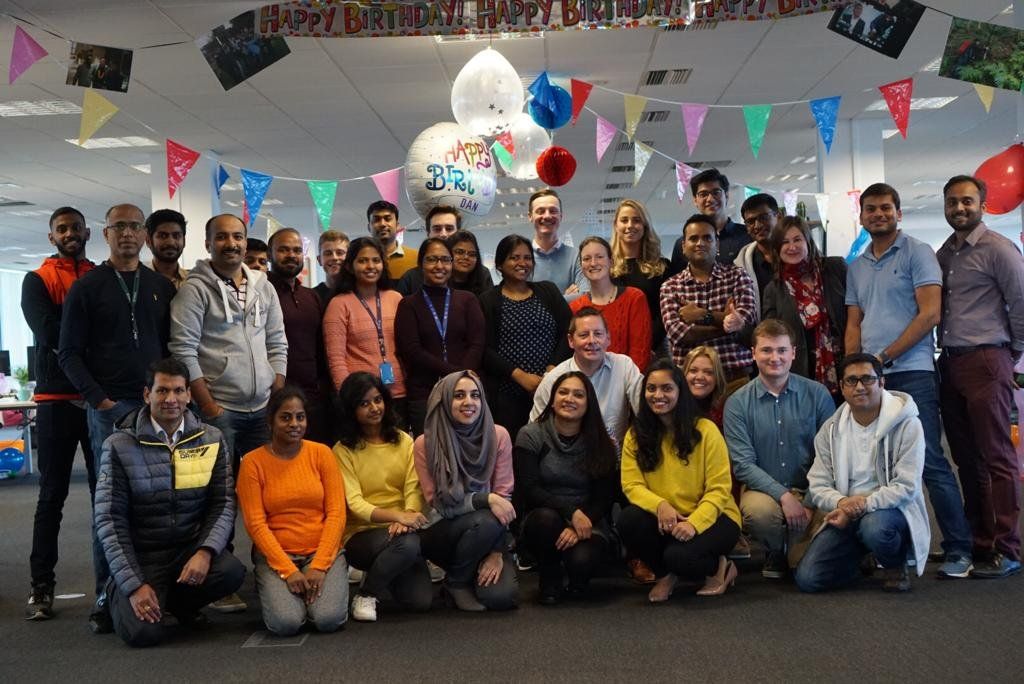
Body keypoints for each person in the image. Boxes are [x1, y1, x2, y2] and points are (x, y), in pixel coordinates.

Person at [846, 182, 974, 578]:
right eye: (871, 209)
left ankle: (959, 548)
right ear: (862, 216)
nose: (878, 214)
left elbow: (930, 314)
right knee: (874, 463)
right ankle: (893, 547)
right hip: (871, 380)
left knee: (929, 460)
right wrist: (853, 367)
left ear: (898, 213)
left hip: (912, 372)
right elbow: (854, 322)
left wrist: (882, 357)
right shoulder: (857, 265)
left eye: (886, 207)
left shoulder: (918, 252)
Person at [58, 203, 175, 633]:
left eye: (134, 226)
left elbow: (171, 349)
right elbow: (68, 353)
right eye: (118, 226)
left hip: (157, 409)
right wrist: (99, 401)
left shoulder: (160, 286)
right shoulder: (87, 287)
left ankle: (161, 592)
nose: (127, 233)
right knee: (109, 506)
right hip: (111, 411)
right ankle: (106, 597)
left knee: (160, 501)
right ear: (105, 234)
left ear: (144, 235)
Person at [170, 214, 288, 612]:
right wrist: (207, 404)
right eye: (222, 237)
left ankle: (272, 564)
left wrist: (276, 388)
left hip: (262, 408)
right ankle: (220, 579)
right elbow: (183, 350)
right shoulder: (194, 290)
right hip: (219, 409)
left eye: (237, 236)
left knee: (269, 492)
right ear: (208, 243)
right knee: (216, 495)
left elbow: (277, 340)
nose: (231, 244)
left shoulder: (263, 285)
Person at [94, 358, 245, 648]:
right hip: (142, 557)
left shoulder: (211, 439)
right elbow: (109, 520)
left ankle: (174, 605)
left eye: (178, 391)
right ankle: (115, 593)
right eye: (162, 391)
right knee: (144, 635)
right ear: (146, 394)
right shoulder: (118, 445)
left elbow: (223, 503)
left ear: (189, 395)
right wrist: (134, 585)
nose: (171, 399)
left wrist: (205, 551)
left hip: (186, 551)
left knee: (230, 572)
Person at [937, 175, 1024, 579]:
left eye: (967, 201)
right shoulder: (945, 253)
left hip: (987, 358)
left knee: (997, 456)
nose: (960, 208)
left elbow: (1021, 304)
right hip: (951, 362)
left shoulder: (999, 249)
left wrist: (1008, 354)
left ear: (982, 205)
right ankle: (981, 540)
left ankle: (1008, 547)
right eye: (953, 201)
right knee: (966, 458)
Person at [796, 354, 929, 593]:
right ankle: (860, 557)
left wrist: (862, 505)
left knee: (874, 528)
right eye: (851, 380)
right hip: (845, 510)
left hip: (889, 511)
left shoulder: (908, 424)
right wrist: (842, 503)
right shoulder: (830, 429)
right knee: (809, 579)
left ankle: (894, 565)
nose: (859, 387)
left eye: (867, 379)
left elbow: (907, 486)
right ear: (842, 387)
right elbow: (817, 483)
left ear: (882, 382)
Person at [22, 206, 96, 621]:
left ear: (87, 233)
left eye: (75, 227)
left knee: (107, 497)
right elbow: (48, 332)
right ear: (52, 236)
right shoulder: (38, 279)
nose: (70, 233)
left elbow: (108, 329)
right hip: (55, 401)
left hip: (98, 401)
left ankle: (112, 585)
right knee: (51, 496)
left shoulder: (98, 275)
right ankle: (41, 586)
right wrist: (87, 332)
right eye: (62, 229)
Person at [618, 359, 742, 602]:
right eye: (651, 388)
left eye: (667, 388)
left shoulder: (706, 430)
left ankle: (719, 568)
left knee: (679, 557)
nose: (658, 395)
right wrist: (660, 505)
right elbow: (631, 485)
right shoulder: (635, 434)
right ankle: (665, 575)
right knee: (628, 520)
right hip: (666, 517)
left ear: (680, 392)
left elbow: (719, 489)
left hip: (714, 515)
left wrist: (694, 523)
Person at [724, 319, 835, 579]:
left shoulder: (818, 394)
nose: (775, 358)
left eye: (782, 350)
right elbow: (743, 465)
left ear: (793, 353)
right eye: (766, 350)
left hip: (814, 486)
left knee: (832, 512)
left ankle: (797, 550)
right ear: (753, 353)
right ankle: (777, 549)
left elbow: (830, 456)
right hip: (763, 490)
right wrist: (784, 496)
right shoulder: (737, 403)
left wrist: (809, 501)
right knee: (758, 514)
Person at [236, 386, 347, 636]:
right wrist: (288, 571)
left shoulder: (322, 453)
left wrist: (319, 566)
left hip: (320, 551)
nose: (294, 424)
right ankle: (279, 590)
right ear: (270, 421)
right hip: (277, 555)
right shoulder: (252, 463)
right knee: (285, 624)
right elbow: (255, 524)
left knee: (328, 620)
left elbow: (337, 514)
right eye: (285, 417)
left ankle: (310, 596)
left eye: (300, 417)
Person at [413, 371, 518, 611]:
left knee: (500, 598)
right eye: (458, 395)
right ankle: (457, 582)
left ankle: (468, 572)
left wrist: (496, 551)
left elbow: (504, 500)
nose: (469, 402)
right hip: (444, 531)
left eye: (475, 395)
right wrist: (485, 499)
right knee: (486, 518)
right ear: (444, 400)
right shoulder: (425, 443)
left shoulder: (498, 435)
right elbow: (440, 504)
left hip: (490, 532)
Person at [334, 373, 432, 622]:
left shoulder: (404, 440)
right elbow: (354, 503)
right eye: (364, 403)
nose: (374, 408)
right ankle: (366, 594)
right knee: (408, 545)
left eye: (378, 400)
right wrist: (397, 517)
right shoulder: (342, 450)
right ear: (351, 409)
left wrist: (407, 516)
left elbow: (413, 487)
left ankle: (383, 571)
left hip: (403, 528)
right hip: (362, 533)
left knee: (420, 601)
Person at [515, 372, 618, 604]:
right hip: (544, 517)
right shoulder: (531, 434)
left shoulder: (603, 441)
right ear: (552, 400)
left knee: (581, 561)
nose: (569, 398)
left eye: (578, 395)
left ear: (589, 404)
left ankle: (577, 579)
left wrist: (579, 522)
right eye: (563, 392)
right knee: (545, 520)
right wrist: (571, 513)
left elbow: (603, 498)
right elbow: (530, 489)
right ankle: (549, 575)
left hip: (589, 520)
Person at [479, 234, 572, 440]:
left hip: (551, 389)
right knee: (514, 448)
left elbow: (568, 330)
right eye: (514, 257)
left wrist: (551, 370)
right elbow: (485, 349)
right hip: (507, 394)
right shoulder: (488, 300)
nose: (522, 263)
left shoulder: (548, 291)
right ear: (500, 264)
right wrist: (521, 377)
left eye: (527, 257)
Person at [395, 237, 486, 435]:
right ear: (420, 264)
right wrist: (456, 374)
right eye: (432, 259)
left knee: (467, 446)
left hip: (466, 391)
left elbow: (477, 343)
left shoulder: (467, 300)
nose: (439, 266)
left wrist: (461, 377)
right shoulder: (408, 304)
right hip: (425, 392)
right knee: (429, 449)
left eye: (445, 260)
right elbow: (412, 351)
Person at [661, 214, 758, 382]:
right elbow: (679, 334)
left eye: (707, 238)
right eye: (693, 238)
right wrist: (726, 322)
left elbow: (746, 321)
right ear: (683, 246)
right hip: (690, 382)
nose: (700, 243)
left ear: (717, 244)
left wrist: (702, 315)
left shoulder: (738, 276)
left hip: (736, 378)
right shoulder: (670, 287)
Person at [530, 307, 642, 450]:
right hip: (567, 455)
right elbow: (534, 432)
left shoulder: (624, 366)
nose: (592, 340)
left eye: (598, 334)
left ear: (608, 338)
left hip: (614, 455)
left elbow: (645, 409)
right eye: (584, 335)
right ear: (571, 340)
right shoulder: (554, 379)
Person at [323, 236, 408, 423]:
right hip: (361, 399)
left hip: (399, 393)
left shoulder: (396, 298)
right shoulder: (339, 304)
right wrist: (349, 397)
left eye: (376, 260)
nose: (370, 266)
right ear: (349, 266)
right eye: (362, 261)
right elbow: (336, 360)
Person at [763, 216, 847, 400]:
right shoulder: (774, 289)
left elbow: (854, 311)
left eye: (797, 239)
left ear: (808, 241)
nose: (792, 247)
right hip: (801, 372)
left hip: (844, 367)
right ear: (777, 249)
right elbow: (770, 334)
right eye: (785, 242)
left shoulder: (835, 269)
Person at [267, 227, 330, 443]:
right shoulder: (261, 293)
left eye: (297, 250)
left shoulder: (311, 296)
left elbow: (320, 346)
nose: (291, 255)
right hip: (275, 396)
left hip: (312, 397)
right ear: (270, 255)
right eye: (283, 250)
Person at [571, 236, 652, 370]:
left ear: (611, 261)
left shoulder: (634, 298)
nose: (593, 263)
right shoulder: (575, 307)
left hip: (630, 379)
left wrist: (625, 381)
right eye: (586, 259)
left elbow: (640, 353)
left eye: (599, 257)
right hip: (589, 380)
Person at [609, 199, 670, 352]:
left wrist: (645, 344)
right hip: (614, 348)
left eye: (636, 220)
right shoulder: (606, 267)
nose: (630, 225)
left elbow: (665, 313)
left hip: (654, 347)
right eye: (624, 220)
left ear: (645, 226)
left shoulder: (661, 267)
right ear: (616, 225)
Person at [669, 168, 750, 275]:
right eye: (703, 194)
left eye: (716, 192)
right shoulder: (683, 245)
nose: (710, 199)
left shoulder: (747, 236)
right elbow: (677, 279)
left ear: (726, 196)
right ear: (695, 200)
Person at [395, 206, 470, 295]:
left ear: (458, 233)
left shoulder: (475, 275)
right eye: (437, 229)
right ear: (428, 233)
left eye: (449, 229)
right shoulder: (411, 278)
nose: (443, 234)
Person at [528, 189, 586, 295]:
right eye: (540, 211)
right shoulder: (521, 259)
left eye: (553, 211)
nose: (547, 216)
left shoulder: (577, 256)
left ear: (561, 216)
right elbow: (518, 301)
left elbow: (583, 297)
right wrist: (563, 297)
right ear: (530, 216)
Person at [734, 193, 780, 312]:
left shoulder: (798, 253)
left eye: (764, 218)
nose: (757, 225)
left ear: (779, 217)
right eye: (750, 221)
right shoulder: (741, 265)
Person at [367, 200, 417, 279]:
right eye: (376, 220)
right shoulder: (360, 260)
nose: (382, 224)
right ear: (369, 227)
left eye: (388, 219)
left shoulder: (417, 258)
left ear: (397, 225)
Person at [682, 345, 728, 427]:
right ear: (684, 374)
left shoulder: (727, 410)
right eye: (693, 371)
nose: (699, 377)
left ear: (717, 378)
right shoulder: (673, 409)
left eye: (708, 372)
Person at [145, 209, 188, 290]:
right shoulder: (140, 280)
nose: (170, 242)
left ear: (184, 241)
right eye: (163, 236)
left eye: (176, 236)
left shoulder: (193, 281)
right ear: (148, 241)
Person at [313, 229, 349, 308]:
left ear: (349, 258)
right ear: (319, 260)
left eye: (340, 253)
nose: (334, 257)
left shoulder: (359, 293)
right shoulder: (312, 297)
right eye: (328, 253)